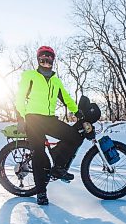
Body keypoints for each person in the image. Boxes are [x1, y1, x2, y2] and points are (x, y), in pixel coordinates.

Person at [15, 46, 83, 205]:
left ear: (53, 60)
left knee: (75, 136)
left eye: (49, 57)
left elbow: (67, 99)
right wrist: (21, 117)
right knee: (39, 154)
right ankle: (41, 193)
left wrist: (78, 112)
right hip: (33, 120)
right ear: (38, 59)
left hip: (50, 119)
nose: (46, 60)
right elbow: (19, 97)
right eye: (42, 57)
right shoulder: (30, 76)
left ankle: (58, 167)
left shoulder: (56, 80)